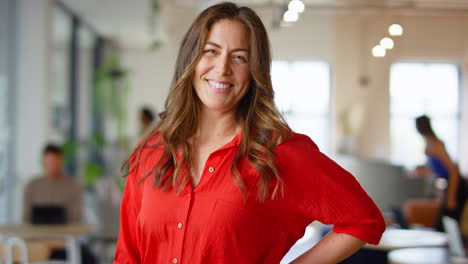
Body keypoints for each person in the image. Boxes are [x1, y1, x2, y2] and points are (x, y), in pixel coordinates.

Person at [114, 2, 385, 264]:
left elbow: (363, 220)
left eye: (239, 57)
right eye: (211, 51)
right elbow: (127, 255)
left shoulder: (278, 154)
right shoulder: (153, 151)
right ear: (191, 59)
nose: (222, 68)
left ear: (255, 71)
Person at [23, 143, 97, 264]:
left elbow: (75, 219)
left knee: (89, 258)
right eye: (49, 162)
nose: (52, 166)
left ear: (61, 161)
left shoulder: (74, 186)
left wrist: (57, 241)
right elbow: (26, 218)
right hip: (37, 243)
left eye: (55, 162)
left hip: (64, 243)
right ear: (43, 161)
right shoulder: (32, 186)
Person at [413, 115, 467, 231]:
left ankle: (454, 248)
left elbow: (453, 170)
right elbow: (435, 168)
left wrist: (451, 197)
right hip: (449, 184)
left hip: (457, 186)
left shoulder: (435, 144)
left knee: (447, 223)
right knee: (442, 223)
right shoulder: (429, 143)